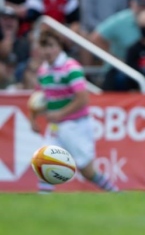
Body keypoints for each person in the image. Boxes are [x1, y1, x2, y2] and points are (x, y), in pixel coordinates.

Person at [29, 30, 118, 193]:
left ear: (59, 46)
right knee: (44, 162)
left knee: (87, 171)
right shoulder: (43, 71)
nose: (47, 51)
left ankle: (116, 193)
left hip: (76, 125)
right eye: (43, 46)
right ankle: (43, 202)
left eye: (50, 46)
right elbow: (40, 98)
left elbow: (83, 99)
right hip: (56, 127)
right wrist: (33, 119)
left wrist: (60, 114)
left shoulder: (71, 68)